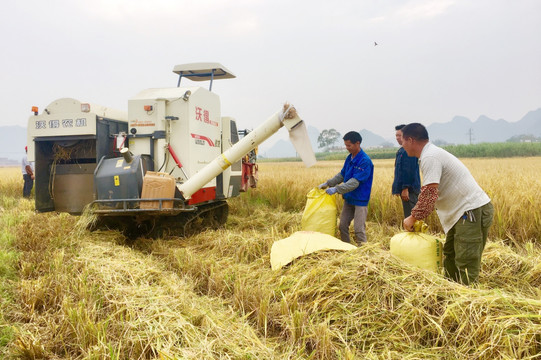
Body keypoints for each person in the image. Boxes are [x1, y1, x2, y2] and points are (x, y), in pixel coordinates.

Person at [401, 123, 494, 285]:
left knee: (466, 259)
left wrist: (413, 217)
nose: (402, 145)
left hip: (470, 211)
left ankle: (468, 299)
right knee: (450, 254)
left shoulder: (430, 157)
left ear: (410, 139)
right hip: (459, 213)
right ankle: (450, 290)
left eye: (402, 141)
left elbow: (429, 193)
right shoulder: (429, 154)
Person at [318, 131, 374, 246]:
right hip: (349, 198)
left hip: (360, 200)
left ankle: (364, 253)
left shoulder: (365, 161)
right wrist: (328, 183)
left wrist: (336, 189)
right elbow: (342, 175)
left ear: (357, 143)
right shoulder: (349, 158)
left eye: (349, 145)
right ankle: (346, 248)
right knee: (342, 225)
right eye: (345, 145)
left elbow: (354, 182)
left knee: (359, 229)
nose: (346, 148)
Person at [392, 124, 421, 218]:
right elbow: (399, 171)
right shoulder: (402, 150)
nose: (397, 138)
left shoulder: (409, 150)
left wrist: (405, 188)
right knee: (408, 215)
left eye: (399, 135)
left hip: (410, 191)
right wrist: (397, 188)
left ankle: (415, 233)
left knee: (411, 217)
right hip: (406, 190)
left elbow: (409, 171)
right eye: (396, 135)